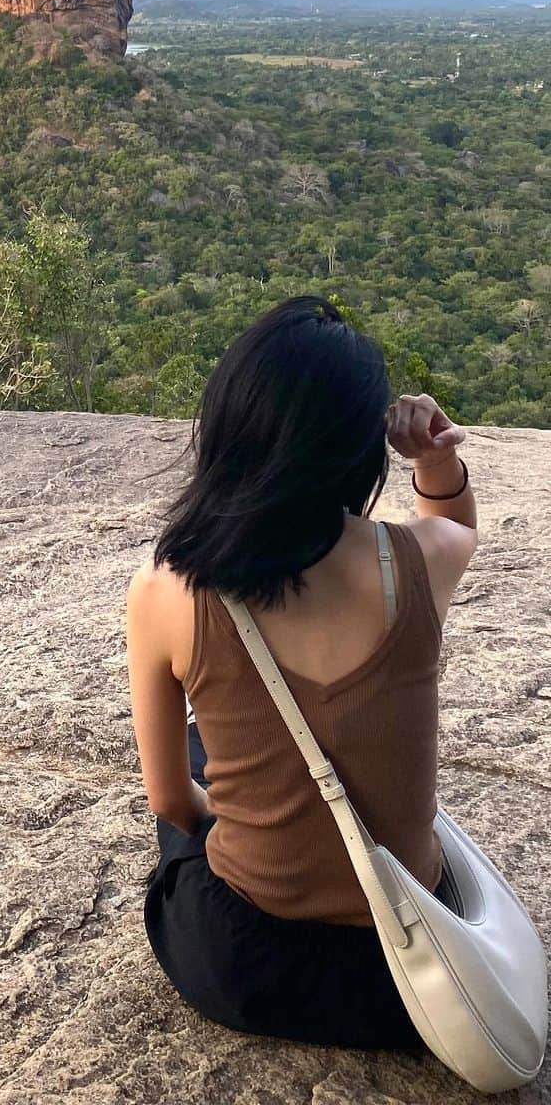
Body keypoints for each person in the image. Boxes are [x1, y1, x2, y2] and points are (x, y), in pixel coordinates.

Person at [126, 295, 478, 1053]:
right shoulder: (422, 563)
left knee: (195, 750)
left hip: (250, 966)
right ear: (363, 449)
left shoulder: (167, 588)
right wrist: (437, 459)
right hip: (415, 981)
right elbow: (455, 525)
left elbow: (168, 801)